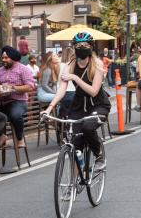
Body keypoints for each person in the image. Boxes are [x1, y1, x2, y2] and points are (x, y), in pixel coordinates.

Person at [43, 31, 110, 171]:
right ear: (74, 47)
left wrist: (74, 77)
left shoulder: (96, 64)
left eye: (85, 45)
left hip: (97, 104)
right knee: (75, 141)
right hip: (78, 105)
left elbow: (93, 91)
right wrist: (49, 108)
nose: (81, 47)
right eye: (78, 45)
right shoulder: (69, 64)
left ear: (91, 46)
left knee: (87, 127)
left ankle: (99, 155)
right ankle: (74, 180)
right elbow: (61, 90)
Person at [0, 45, 36, 148]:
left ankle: (20, 138)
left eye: (6, 58)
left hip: (18, 101)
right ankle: (2, 135)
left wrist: (13, 88)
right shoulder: (0, 71)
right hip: (2, 102)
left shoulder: (23, 69)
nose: (4, 60)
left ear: (13, 57)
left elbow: (30, 87)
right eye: (2, 57)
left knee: (15, 115)